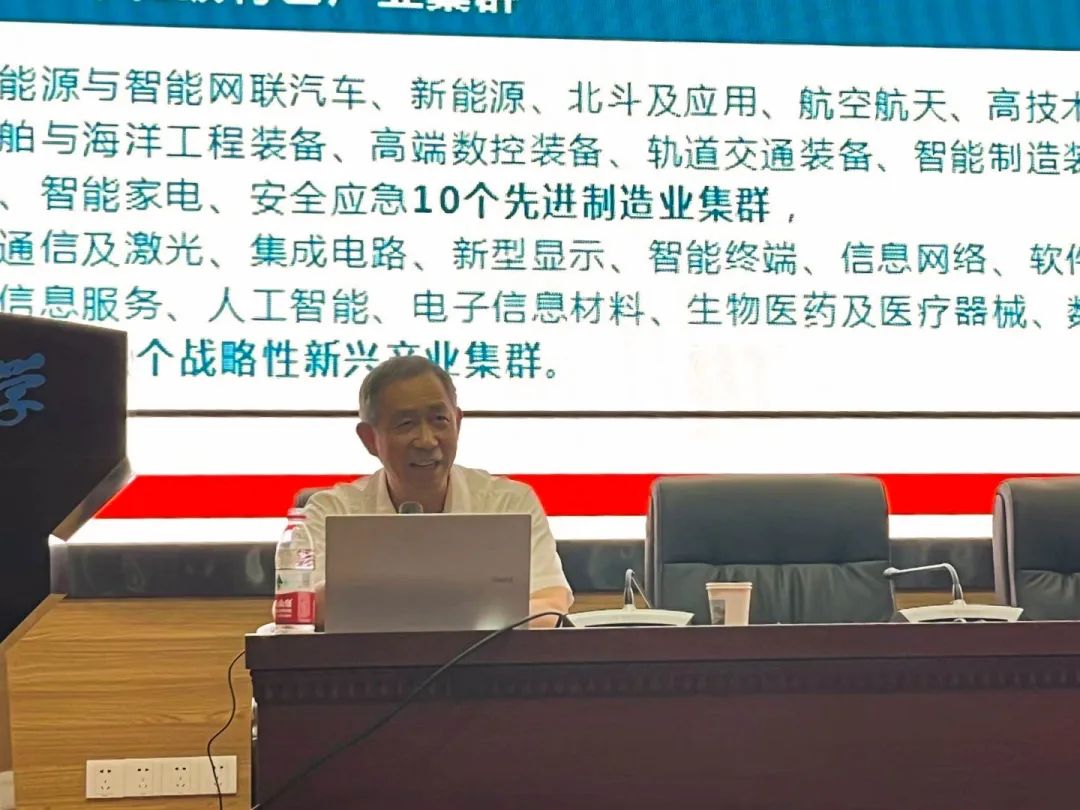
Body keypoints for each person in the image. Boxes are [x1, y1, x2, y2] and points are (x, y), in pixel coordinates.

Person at [300, 355, 573, 628]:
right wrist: (467, 609)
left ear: (457, 422)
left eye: (439, 420)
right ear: (370, 439)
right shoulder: (330, 511)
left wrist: (402, 602)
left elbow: (549, 605)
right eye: (406, 424)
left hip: (487, 656)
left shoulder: (510, 503)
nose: (427, 441)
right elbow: (306, 605)